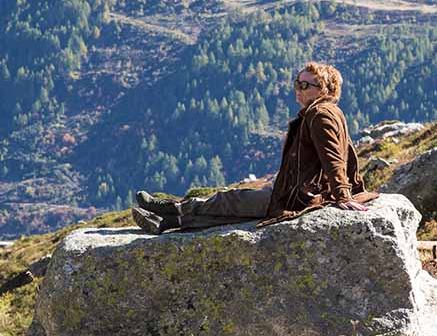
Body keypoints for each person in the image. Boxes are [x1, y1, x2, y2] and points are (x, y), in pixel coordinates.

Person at [131, 62, 377, 234]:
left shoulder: (320, 114)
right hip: (299, 190)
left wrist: (342, 194)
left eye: (305, 85)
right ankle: (166, 222)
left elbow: (332, 157)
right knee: (238, 210)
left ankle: (168, 208)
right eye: (297, 82)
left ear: (324, 90)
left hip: (299, 196)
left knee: (230, 199)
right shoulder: (326, 111)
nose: (298, 89)